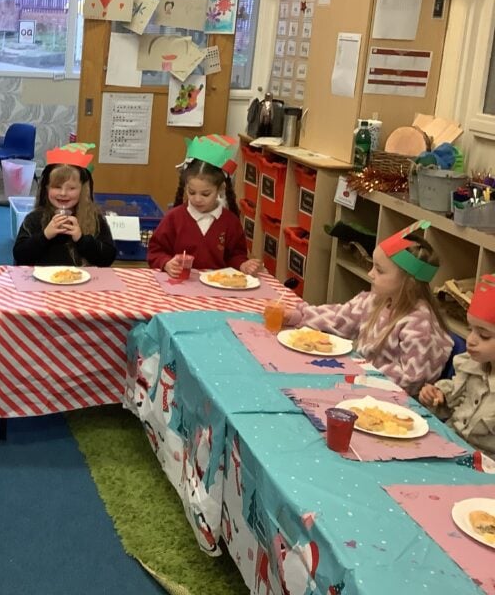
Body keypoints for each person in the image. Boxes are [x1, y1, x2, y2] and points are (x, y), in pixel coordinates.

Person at [284, 221, 452, 395]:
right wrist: (298, 316)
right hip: (361, 382)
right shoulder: (375, 300)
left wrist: (366, 369)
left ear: (408, 284)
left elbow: (413, 380)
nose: (371, 274)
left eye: (379, 270)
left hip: (390, 399)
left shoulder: (419, 324)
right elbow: (339, 317)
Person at [147, 134, 262, 277]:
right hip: (179, 283)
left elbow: (235, 255)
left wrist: (243, 265)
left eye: (205, 194)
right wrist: (166, 263)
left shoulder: (230, 222)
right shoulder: (174, 218)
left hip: (217, 288)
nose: (197, 199)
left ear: (220, 189)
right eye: (191, 192)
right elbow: (155, 251)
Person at [420, 273, 495, 457]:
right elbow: (458, 398)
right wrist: (440, 396)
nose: (470, 340)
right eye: (471, 330)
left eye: (484, 335)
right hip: (450, 447)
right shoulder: (473, 365)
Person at [13, 142, 116, 267]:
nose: (63, 193)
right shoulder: (34, 219)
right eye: (57, 187)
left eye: (71, 188)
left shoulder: (95, 219)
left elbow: (107, 259)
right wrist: (45, 236)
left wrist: (81, 239)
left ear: (83, 190)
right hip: (42, 283)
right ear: (46, 189)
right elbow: (20, 256)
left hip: (82, 283)